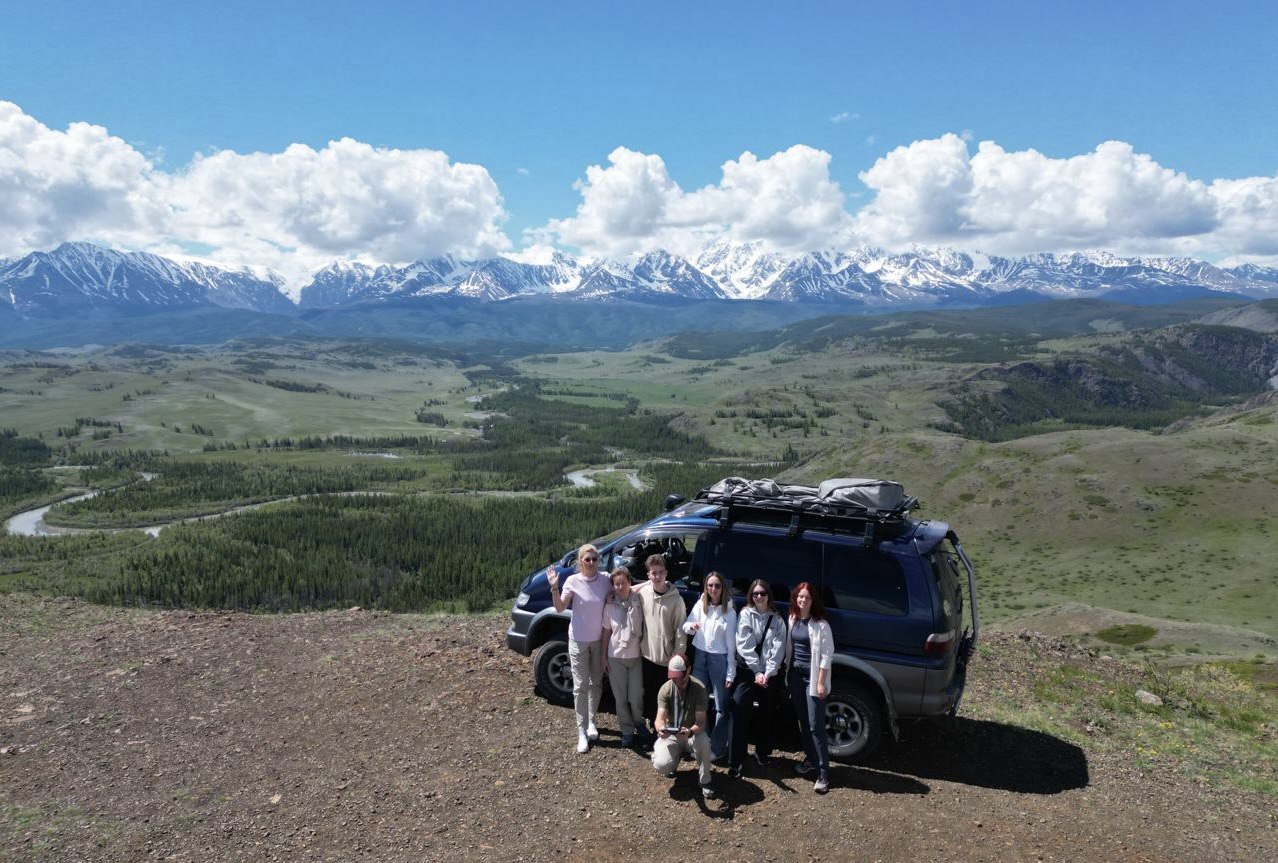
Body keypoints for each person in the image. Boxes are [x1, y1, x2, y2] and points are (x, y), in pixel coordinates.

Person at [547, 543, 611, 753]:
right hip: (578, 641)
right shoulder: (572, 581)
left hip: (598, 641)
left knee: (596, 684)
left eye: (594, 559)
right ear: (580, 561)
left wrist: (649, 584)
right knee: (580, 686)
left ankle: (592, 721)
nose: (591, 562)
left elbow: (624, 588)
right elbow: (559, 607)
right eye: (587, 559)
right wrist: (554, 587)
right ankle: (581, 731)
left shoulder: (605, 579)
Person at [728, 578, 785, 778]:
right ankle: (736, 760)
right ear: (751, 596)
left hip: (769, 674)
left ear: (769, 595)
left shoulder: (777, 619)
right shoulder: (745, 614)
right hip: (747, 671)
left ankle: (762, 752)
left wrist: (767, 673)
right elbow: (744, 645)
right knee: (739, 709)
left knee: (766, 713)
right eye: (755, 594)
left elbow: (778, 649)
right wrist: (757, 671)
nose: (759, 596)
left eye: (762, 593)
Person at [681, 570, 736, 761]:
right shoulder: (701, 604)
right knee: (699, 702)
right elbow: (686, 625)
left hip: (719, 659)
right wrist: (691, 627)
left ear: (723, 588)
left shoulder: (729, 611)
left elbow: (731, 646)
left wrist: (730, 672)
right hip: (700, 656)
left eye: (717, 586)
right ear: (706, 587)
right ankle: (701, 743)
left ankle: (718, 748)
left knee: (721, 706)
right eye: (710, 585)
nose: (713, 589)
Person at [785, 581, 833, 793]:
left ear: (813, 601)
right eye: (799, 596)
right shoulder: (793, 619)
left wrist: (821, 682)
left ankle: (823, 773)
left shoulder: (821, 624)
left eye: (806, 597)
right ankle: (811, 759)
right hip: (795, 675)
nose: (802, 600)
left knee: (815, 725)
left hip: (813, 679)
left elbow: (826, 655)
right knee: (803, 721)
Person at [635, 553, 687, 742]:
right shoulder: (644, 593)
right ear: (648, 575)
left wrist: (678, 656)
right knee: (647, 693)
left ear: (666, 573)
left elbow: (680, 630)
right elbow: (625, 592)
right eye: (653, 573)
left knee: (663, 697)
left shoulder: (676, 600)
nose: (657, 576)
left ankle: (663, 730)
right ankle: (651, 728)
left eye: (660, 572)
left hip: (666, 659)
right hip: (647, 654)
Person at [651, 653, 715, 799]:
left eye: (678, 676)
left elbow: (701, 722)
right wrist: (661, 729)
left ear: (688, 671)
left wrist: (691, 731)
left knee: (705, 742)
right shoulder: (666, 689)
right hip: (672, 733)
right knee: (660, 764)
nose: (675, 680)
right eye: (672, 677)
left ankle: (705, 780)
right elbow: (659, 718)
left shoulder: (699, 688)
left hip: (691, 733)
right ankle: (672, 763)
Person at [601, 567, 645, 748]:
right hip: (615, 656)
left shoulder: (638, 600)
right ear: (613, 586)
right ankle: (626, 730)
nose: (620, 587)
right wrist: (603, 657)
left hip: (635, 657)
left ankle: (640, 724)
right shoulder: (610, 605)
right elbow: (606, 632)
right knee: (620, 698)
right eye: (616, 584)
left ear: (630, 583)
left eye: (623, 583)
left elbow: (650, 582)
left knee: (635, 697)